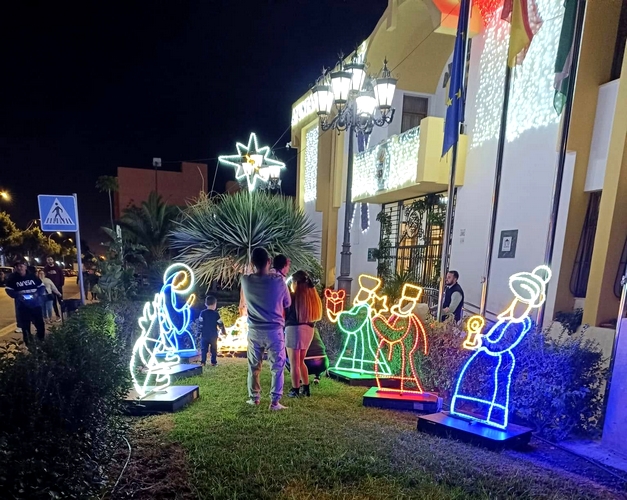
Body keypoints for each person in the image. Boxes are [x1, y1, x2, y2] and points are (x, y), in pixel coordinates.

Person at [241, 247, 291, 410]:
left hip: (255, 330)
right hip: (274, 330)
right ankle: (274, 402)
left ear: (252, 263)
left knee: (254, 366)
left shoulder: (245, 281)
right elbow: (287, 303)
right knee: (277, 367)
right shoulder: (278, 282)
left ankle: (254, 398)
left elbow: (248, 273)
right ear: (269, 261)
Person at [285, 270, 323, 398]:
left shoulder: (292, 297)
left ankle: (295, 390)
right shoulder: (312, 298)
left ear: (295, 283)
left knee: (294, 363)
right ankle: (306, 388)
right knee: (301, 361)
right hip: (308, 330)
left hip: (294, 329)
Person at [5, 260, 46, 344]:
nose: (19, 268)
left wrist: (37, 294)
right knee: (25, 327)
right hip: (22, 307)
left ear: (25, 267)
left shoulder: (32, 276)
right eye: (17, 266)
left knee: (40, 325)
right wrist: (18, 295)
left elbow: (41, 287)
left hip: (35, 305)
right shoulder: (12, 278)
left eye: (21, 266)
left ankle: (41, 341)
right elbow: (8, 290)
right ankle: (28, 344)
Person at [198, 295, 226, 366]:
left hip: (204, 335)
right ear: (215, 304)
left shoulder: (203, 313)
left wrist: (198, 333)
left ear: (205, 304)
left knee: (204, 349)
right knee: (214, 349)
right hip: (213, 335)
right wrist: (223, 331)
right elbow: (220, 323)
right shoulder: (216, 314)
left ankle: (203, 362)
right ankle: (213, 362)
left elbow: (200, 323)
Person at [44, 256, 64, 320]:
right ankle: (57, 315)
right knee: (54, 303)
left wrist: (61, 284)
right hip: (50, 289)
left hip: (58, 287)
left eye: (51, 259)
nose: (50, 261)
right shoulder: (45, 269)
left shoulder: (58, 268)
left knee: (61, 301)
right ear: (47, 261)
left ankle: (63, 314)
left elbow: (62, 276)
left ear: (53, 260)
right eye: (48, 260)